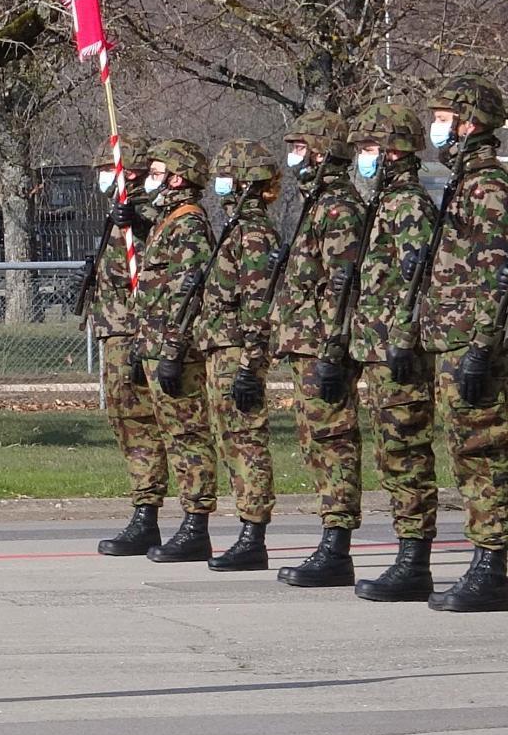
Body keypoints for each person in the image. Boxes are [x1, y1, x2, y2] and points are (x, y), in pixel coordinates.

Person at [413, 74, 508, 612]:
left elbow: (498, 274)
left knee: (483, 450)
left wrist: (480, 346)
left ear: (470, 123)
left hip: (476, 343)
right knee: (469, 451)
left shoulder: (486, 185)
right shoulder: (463, 182)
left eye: (446, 118)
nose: (438, 127)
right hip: (454, 338)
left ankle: (492, 565)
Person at [346, 103, 441, 600]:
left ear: (393, 152)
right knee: (392, 452)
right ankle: (409, 553)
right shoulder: (384, 204)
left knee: (406, 452)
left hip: (398, 352)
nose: (363, 158)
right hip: (381, 349)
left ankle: (414, 559)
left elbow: (419, 280)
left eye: (369, 149)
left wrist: (404, 337)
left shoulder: (407, 205)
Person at [269, 112, 366, 588]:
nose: (295, 156)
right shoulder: (317, 203)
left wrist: (332, 350)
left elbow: (341, 286)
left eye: (301, 147)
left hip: (324, 347)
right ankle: (330, 537)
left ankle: (338, 544)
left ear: (324, 150)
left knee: (333, 442)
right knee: (315, 443)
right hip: (307, 345)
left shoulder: (338, 208)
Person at [189, 139, 282, 570]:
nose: (221, 184)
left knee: (247, 442)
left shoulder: (255, 234)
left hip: (237, 354)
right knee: (231, 441)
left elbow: (258, 307)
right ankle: (246, 527)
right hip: (218, 350)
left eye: (228, 175)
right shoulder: (233, 229)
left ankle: (253, 533)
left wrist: (250, 366)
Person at [128, 139, 220, 562]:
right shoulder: (167, 220)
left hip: (174, 352)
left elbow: (188, 297)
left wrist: (172, 350)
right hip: (152, 346)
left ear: (177, 177)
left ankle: (196, 524)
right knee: (169, 434)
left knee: (188, 435)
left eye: (158, 171)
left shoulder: (188, 224)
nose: (152, 177)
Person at [86, 133, 172, 556]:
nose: (102, 176)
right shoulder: (119, 213)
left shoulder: (147, 213)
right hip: (114, 331)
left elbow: (157, 254)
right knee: (124, 420)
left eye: (108, 168)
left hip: (133, 332)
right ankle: (143, 506)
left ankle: (148, 513)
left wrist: (136, 221)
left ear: (128, 171)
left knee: (139, 422)